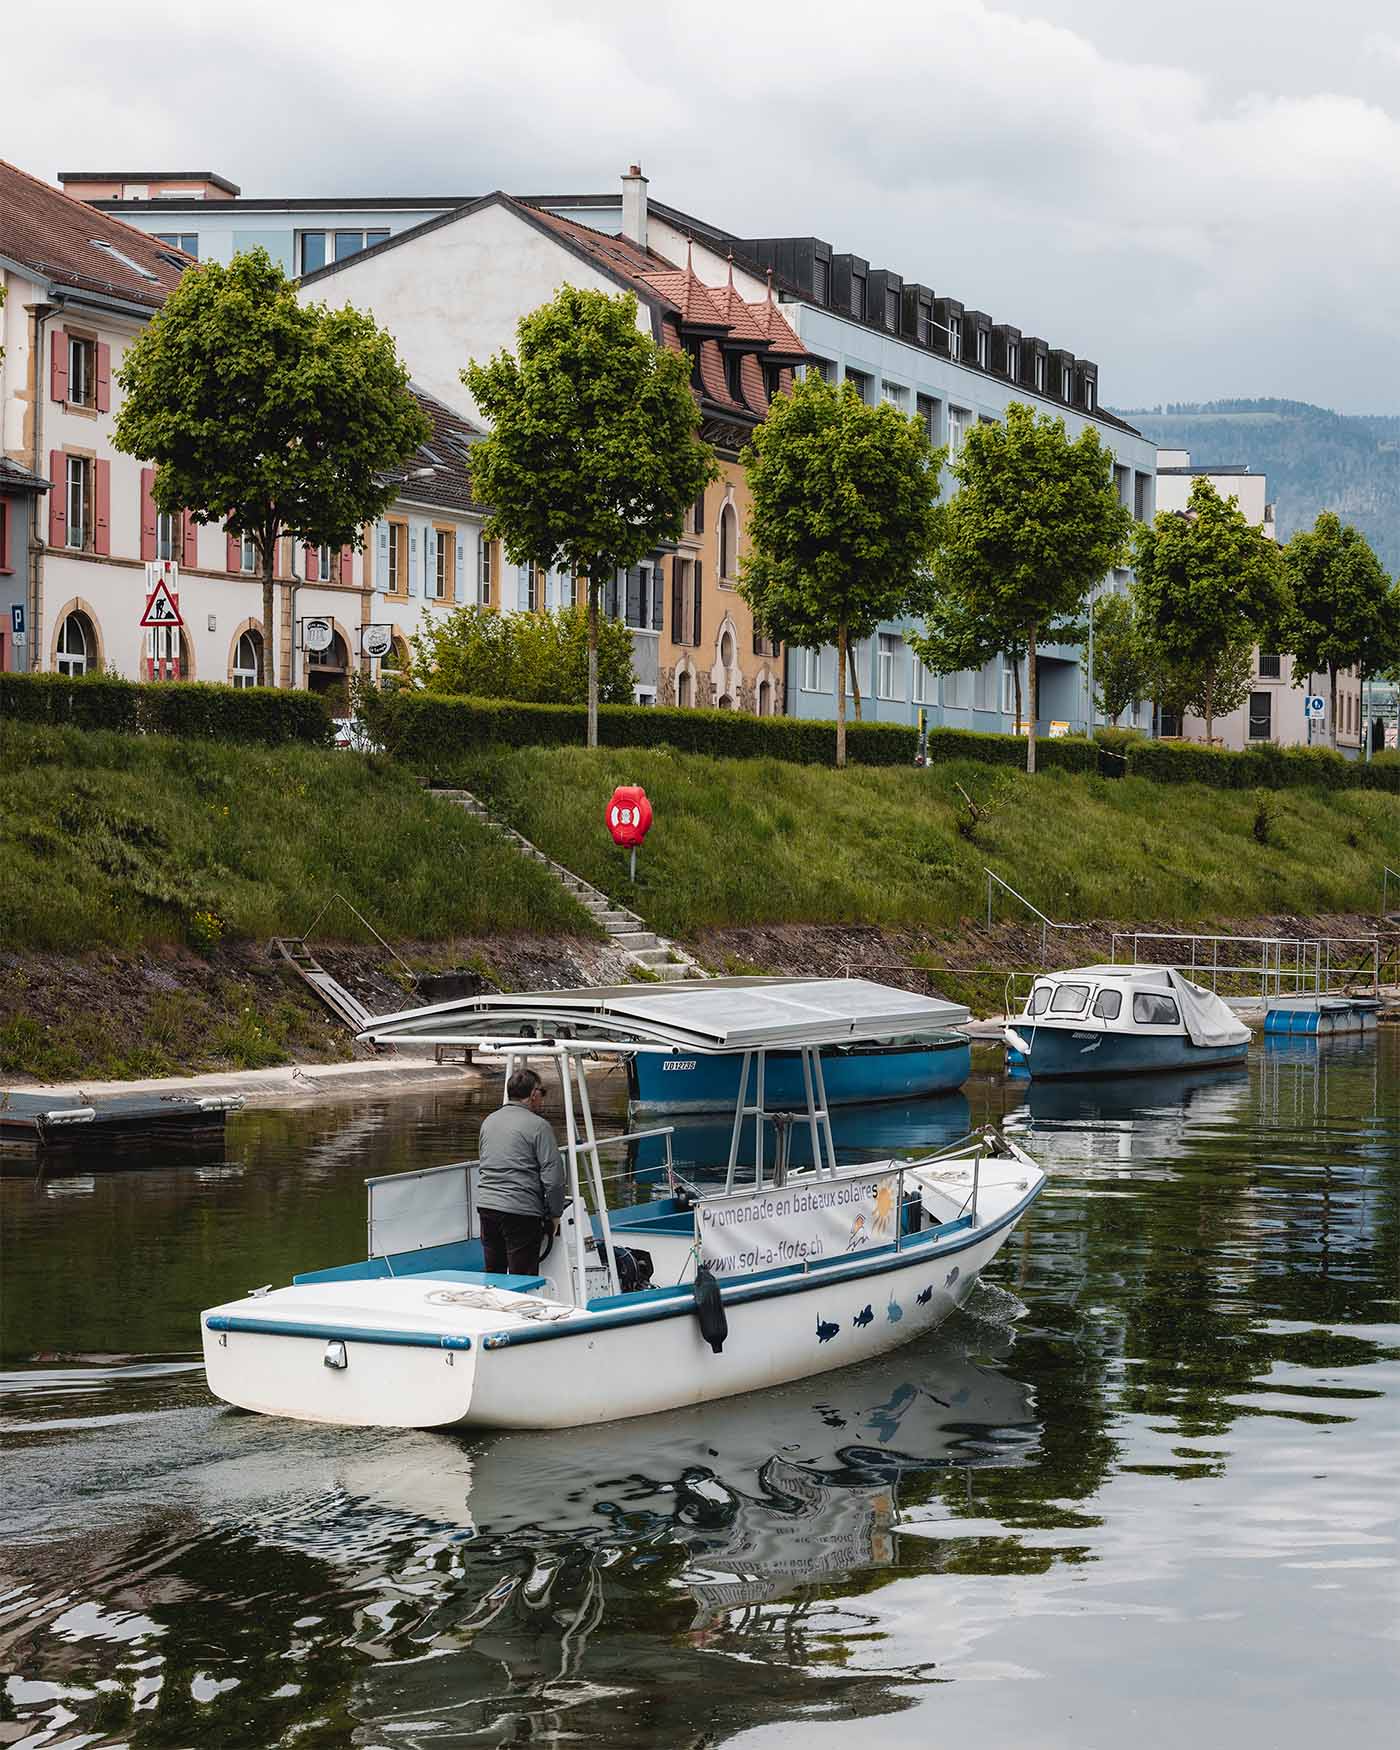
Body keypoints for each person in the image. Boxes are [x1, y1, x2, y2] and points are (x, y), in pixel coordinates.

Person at [474, 1068, 567, 1277]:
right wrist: (554, 1214)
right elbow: (553, 1178)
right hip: (521, 1211)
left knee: (494, 1274)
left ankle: (494, 1308)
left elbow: (485, 1161)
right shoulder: (539, 1126)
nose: (542, 1098)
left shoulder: (488, 1122)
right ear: (533, 1094)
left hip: (487, 1207)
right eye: (542, 1093)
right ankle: (523, 1308)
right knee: (522, 1276)